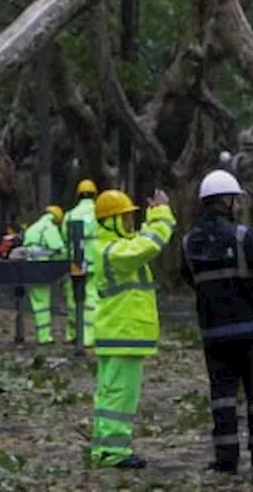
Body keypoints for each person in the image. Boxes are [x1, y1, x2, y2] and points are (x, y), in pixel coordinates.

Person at [180, 170, 253, 474]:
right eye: (236, 199)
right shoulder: (242, 235)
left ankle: (226, 457)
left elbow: (189, 277)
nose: (238, 204)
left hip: (213, 331)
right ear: (227, 199)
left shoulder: (188, 241)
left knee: (222, 396)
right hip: (249, 329)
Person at [89, 187, 177, 469]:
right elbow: (149, 245)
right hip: (122, 333)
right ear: (111, 220)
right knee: (120, 396)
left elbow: (141, 242)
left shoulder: (111, 246)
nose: (130, 222)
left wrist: (151, 217)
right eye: (124, 217)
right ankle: (114, 452)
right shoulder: (113, 250)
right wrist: (162, 214)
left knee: (110, 392)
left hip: (118, 333)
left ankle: (104, 448)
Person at [21, 204, 67, 345]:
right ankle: (44, 337)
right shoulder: (49, 228)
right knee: (43, 303)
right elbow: (58, 248)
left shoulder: (33, 227)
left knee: (37, 302)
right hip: (41, 268)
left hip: (28, 266)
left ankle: (42, 335)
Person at [65, 179, 100, 347]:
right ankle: (89, 336)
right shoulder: (99, 212)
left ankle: (73, 333)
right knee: (92, 296)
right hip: (95, 260)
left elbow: (65, 238)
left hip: (76, 261)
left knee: (74, 297)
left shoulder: (70, 214)